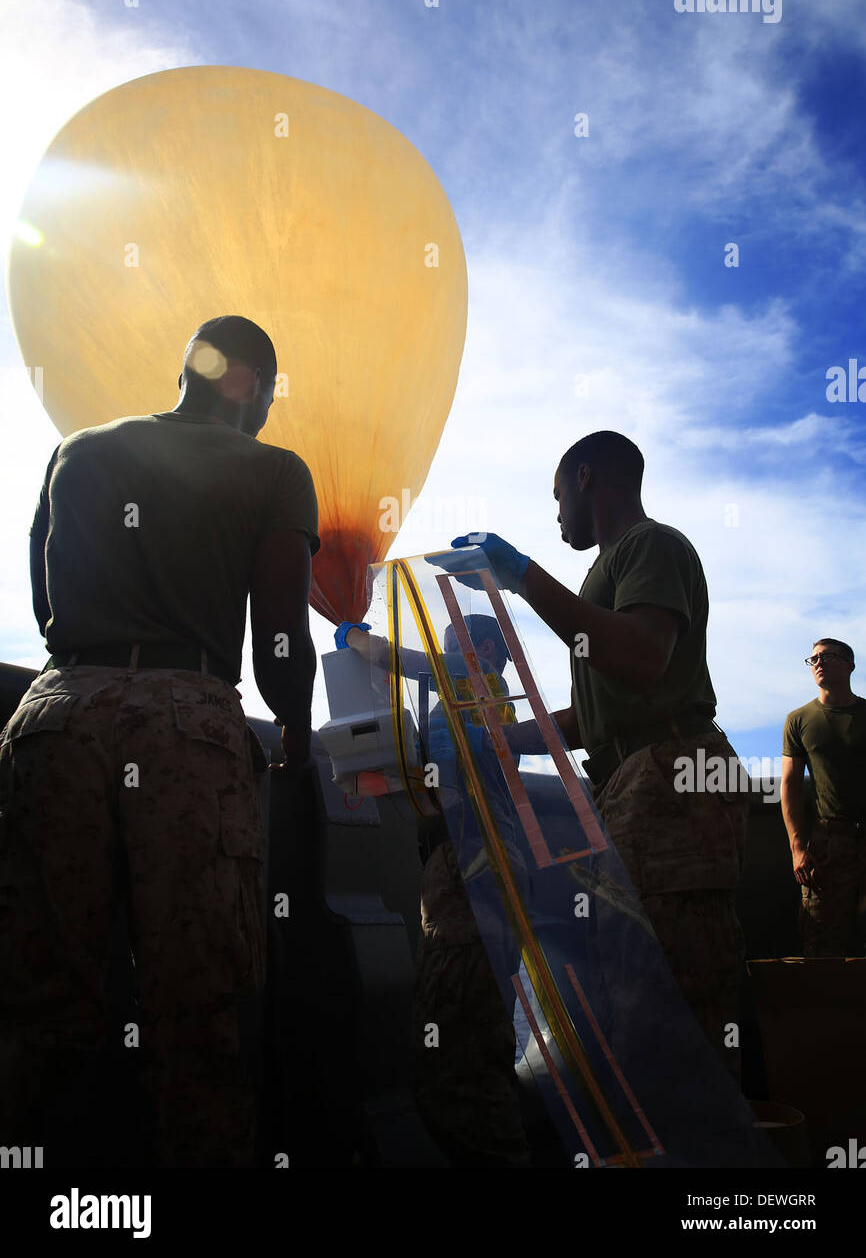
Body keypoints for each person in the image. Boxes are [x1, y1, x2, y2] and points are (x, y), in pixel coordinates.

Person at [0, 314, 319, 1166]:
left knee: (36, 1006)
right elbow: (280, 632)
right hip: (188, 724)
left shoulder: (81, 449)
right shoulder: (274, 470)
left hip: (56, 711)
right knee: (199, 1012)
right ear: (247, 381)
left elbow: (42, 586)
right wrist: (292, 727)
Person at [446, 430, 747, 1078]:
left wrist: (526, 578)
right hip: (634, 780)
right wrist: (502, 740)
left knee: (674, 996)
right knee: (633, 986)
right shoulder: (606, 573)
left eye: (557, 497)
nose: (556, 516)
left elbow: (640, 658)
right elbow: (597, 715)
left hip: (671, 779)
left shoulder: (650, 545)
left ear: (586, 478)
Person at [336, 613, 532, 1167]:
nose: (442, 656)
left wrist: (349, 635)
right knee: (478, 1049)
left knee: (455, 1073)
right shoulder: (480, 702)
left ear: (485, 648)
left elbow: (393, 659)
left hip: (471, 868)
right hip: (482, 863)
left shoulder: (469, 680)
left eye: (452, 645)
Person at [781, 638, 866, 955]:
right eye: (813, 659)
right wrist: (797, 847)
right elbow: (788, 785)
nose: (818, 662)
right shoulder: (799, 720)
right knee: (822, 942)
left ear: (849, 665)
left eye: (827, 656)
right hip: (830, 842)